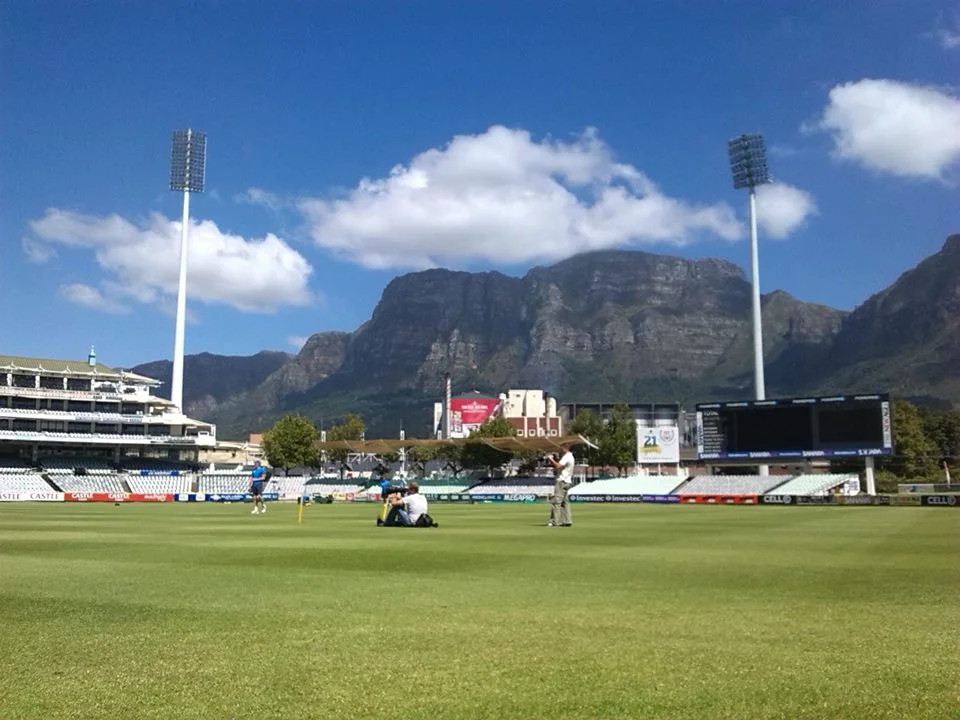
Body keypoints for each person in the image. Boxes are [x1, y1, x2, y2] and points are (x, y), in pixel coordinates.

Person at [546, 443, 575, 527]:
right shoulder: (571, 457)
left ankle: (554, 521)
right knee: (565, 502)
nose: (560, 450)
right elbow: (561, 467)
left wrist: (550, 459)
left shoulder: (567, 456)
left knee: (557, 502)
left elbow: (558, 465)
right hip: (567, 481)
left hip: (562, 481)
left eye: (561, 448)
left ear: (565, 448)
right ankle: (567, 520)